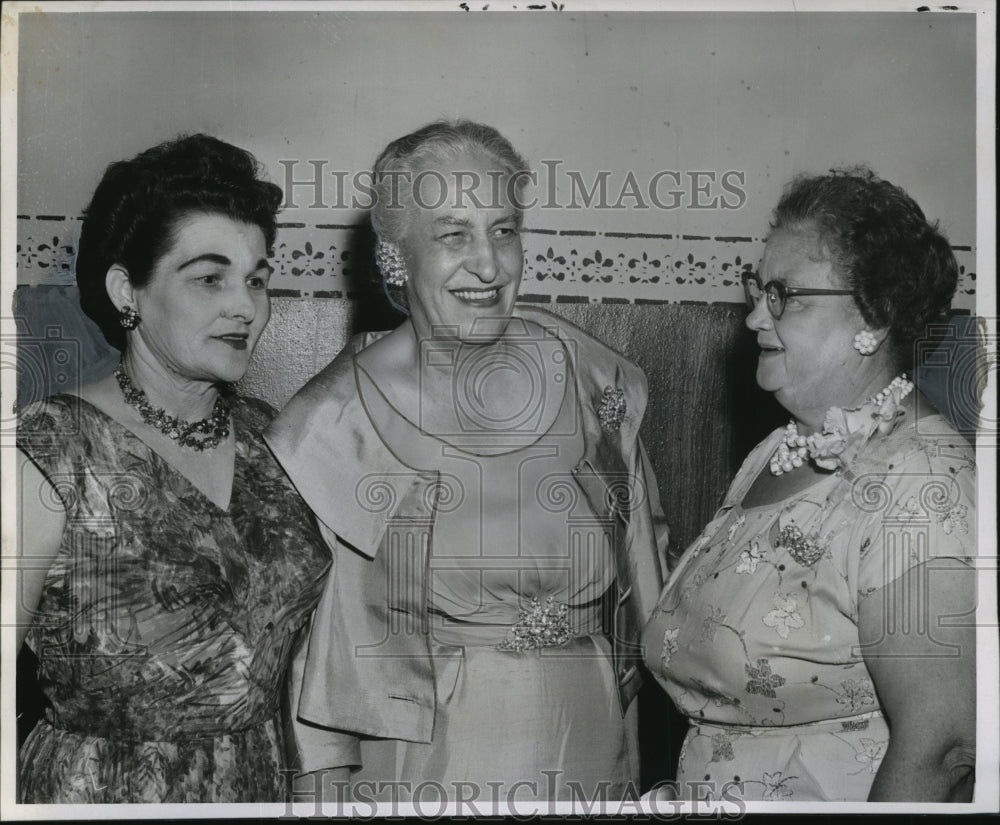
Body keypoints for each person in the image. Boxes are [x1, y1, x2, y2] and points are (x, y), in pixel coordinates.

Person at [265, 120, 669, 803]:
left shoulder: (591, 376)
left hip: (594, 740)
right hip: (436, 764)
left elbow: (649, 590)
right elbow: (320, 680)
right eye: (454, 235)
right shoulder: (334, 424)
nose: (489, 264)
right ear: (397, 259)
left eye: (505, 229)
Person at [15, 134, 350, 803]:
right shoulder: (49, 451)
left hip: (258, 786)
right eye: (209, 277)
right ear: (126, 291)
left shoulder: (273, 439)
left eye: (257, 278)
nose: (245, 306)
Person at [643, 167, 977, 802]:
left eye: (786, 295)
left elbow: (944, 744)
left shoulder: (922, 486)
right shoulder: (780, 448)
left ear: (875, 317)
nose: (752, 319)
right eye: (757, 289)